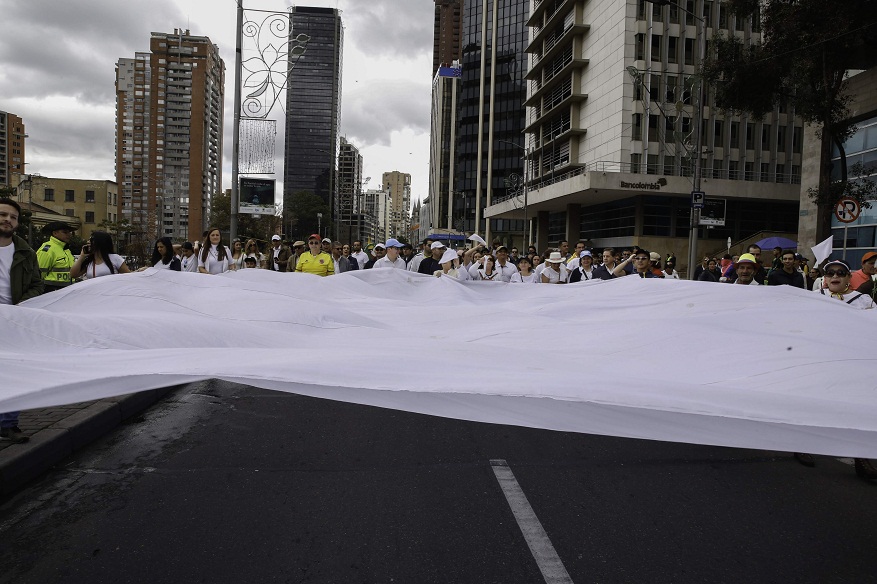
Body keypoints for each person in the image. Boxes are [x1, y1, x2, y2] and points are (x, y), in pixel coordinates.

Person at [795, 258, 876, 480]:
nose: (835, 276)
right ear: (824, 278)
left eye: (841, 273)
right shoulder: (813, 299)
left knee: (855, 408)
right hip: (818, 362)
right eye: (830, 273)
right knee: (812, 403)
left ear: (849, 277)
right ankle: (802, 444)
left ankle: (862, 457)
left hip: (851, 363)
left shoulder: (863, 300)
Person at [0, 199, 43, 443]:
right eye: (3, 214)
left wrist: (21, 306)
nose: (8, 219)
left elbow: (37, 284)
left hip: (15, 319)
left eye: (13, 217)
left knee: (14, 371)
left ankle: (8, 424)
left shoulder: (26, 252)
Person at [36, 220, 77, 292]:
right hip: (51, 291)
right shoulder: (47, 249)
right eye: (65, 232)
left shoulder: (66, 250)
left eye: (69, 232)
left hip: (68, 290)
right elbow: (38, 275)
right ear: (55, 233)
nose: (69, 235)